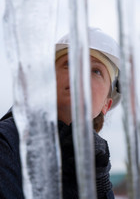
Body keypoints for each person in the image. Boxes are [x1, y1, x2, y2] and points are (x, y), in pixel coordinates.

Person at [0, 28, 121, 199]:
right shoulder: (7, 141)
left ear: (106, 105)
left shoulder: (98, 165)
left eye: (96, 71)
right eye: (70, 63)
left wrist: (99, 185)